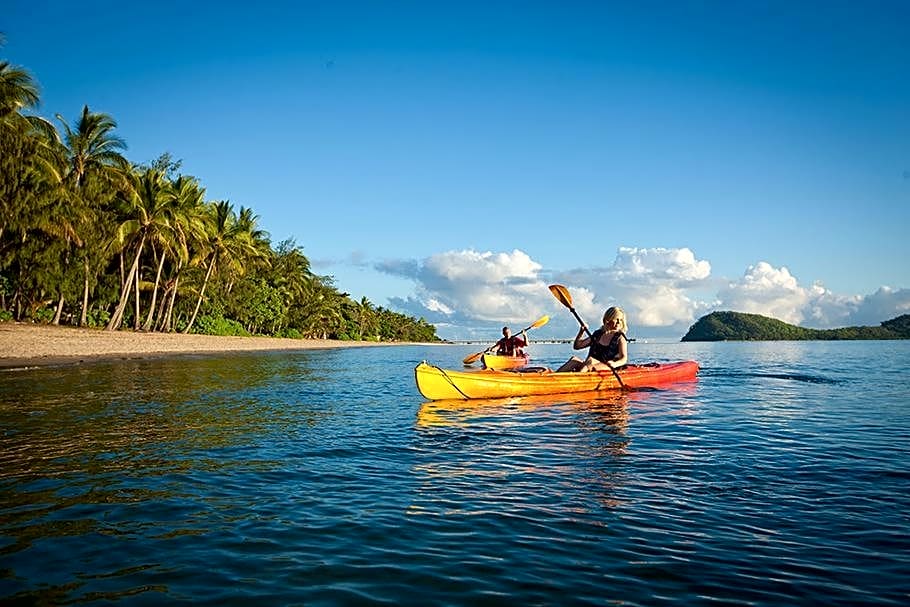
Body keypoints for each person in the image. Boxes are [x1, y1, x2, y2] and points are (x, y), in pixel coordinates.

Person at [556, 306, 628, 372]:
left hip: (607, 366)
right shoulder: (597, 334)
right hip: (589, 364)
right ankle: (554, 377)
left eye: (621, 320)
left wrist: (615, 364)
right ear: (608, 320)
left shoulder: (620, 338)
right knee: (574, 360)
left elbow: (623, 359)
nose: (619, 322)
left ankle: (578, 380)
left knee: (589, 363)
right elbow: (577, 346)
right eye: (616, 319)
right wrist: (581, 332)